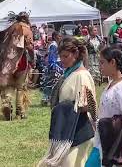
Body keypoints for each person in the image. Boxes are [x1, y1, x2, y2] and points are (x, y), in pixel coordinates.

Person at [38, 37, 97, 167]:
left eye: (65, 56)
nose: (62, 60)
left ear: (75, 54)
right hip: (67, 129)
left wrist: (65, 107)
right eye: (61, 56)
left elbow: (89, 106)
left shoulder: (82, 75)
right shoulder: (70, 73)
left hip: (79, 130)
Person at [85, 47, 122, 167]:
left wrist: (106, 123)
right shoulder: (111, 84)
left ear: (113, 62)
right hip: (105, 140)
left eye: (102, 62)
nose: (100, 66)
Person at [0, 11, 34, 120]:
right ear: (26, 19)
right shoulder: (26, 29)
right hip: (22, 61)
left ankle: (7, 105)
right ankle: (20, 112)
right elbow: (29, 47)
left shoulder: (9, 28)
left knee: (9, 85)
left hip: (8, 62)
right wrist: (32, 58)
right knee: (20, 87)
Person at [41, 31, 64, 105]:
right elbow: (51, 57)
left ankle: (54, 98)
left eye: (61, 36)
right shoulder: (53, 45)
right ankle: (46, 98)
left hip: (59, 65)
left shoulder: (58, 45)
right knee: (52, 83)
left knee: (57, 83)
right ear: (55, 37)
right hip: (54, 66)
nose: (60, 37)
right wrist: (54, 66)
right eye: (59, 36)